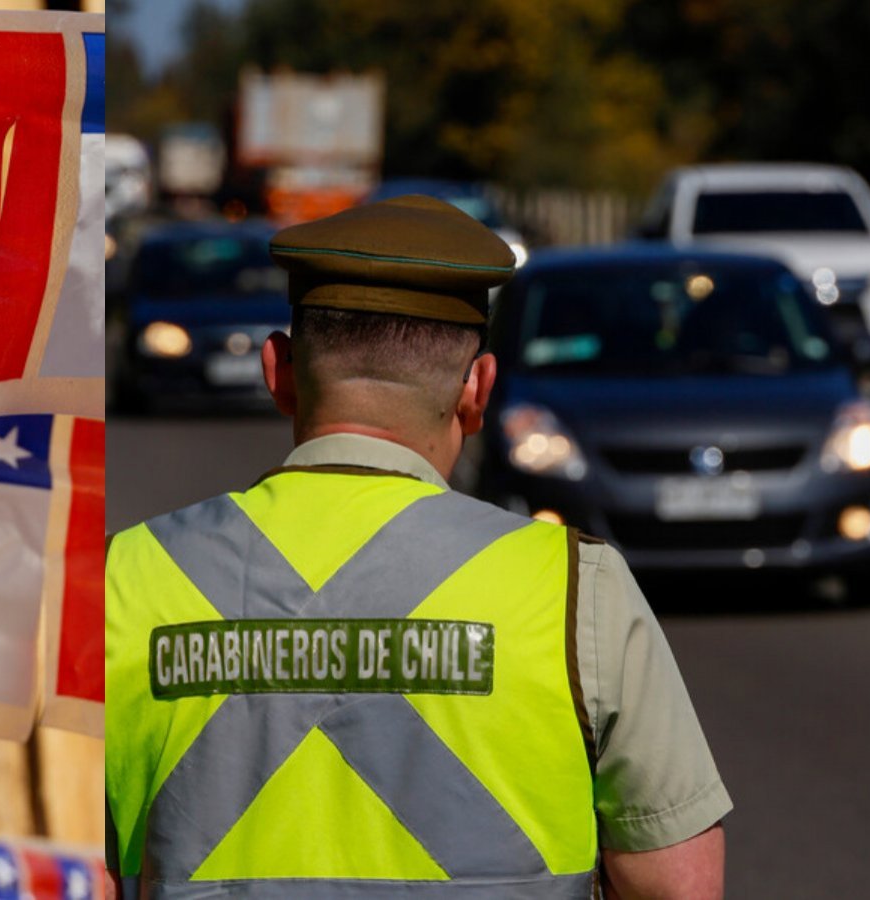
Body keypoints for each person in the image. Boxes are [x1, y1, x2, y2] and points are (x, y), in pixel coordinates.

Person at [104, 196, 730, 899]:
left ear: (278, 370)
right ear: (477, 388)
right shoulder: (576, 588)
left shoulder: (122, 578)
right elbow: (678, 887)